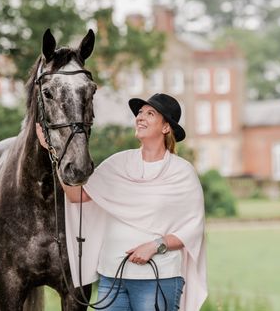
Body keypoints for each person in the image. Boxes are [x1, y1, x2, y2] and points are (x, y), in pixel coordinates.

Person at [62, 93, 207, 311]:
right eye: (139, 113)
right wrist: (58, 154)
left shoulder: (182, 173)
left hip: (158, 280)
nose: (140, 117)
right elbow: (77, 196)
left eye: (150, 114)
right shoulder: (118, 163)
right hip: (112, 278)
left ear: (166, 128)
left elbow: (193, 229)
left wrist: (155, 246)